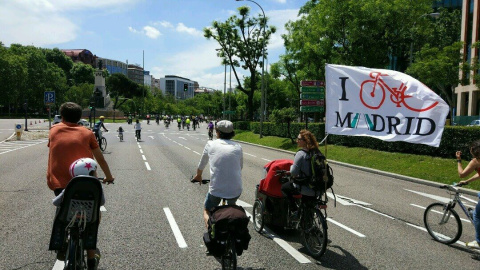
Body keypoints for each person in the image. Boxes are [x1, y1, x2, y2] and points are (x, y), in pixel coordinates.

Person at [47, 102, 114, 270]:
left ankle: (61, 243)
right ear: (80, 118)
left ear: (62, 116)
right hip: (86, 183)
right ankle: (91, 259)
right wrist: (109, 176)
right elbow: (100, 158)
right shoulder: (87, 133)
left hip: (59, 183)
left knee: (63, 208)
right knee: (93, 217)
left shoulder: (54, 130)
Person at [192, 120, 243, 228]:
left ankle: (211, 230)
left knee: (207, 210)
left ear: (217, 132)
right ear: (232, 133)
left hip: (216, 190)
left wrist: (198, 175)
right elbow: (240, 167)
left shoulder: (210, 144)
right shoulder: (238, 147)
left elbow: (202, 164)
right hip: (235, 190)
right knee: (232, 207)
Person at [281, 129, 319, 217]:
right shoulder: (316, 152)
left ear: (305, 141)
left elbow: (293, 172)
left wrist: (290, 168)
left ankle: (294, 211)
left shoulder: (301, 154)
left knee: (284, 188)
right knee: (308, 205)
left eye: (299, 139)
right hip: (318, 188)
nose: (297, 141)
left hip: (305, 187)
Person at [456, 140, 480, 249]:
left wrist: (458, 160)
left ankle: (478, 242)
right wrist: (468, 182)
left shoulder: (476, 161)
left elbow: (461, 174)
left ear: (474, 152)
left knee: (477, 216)